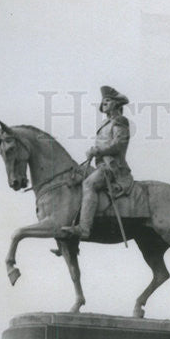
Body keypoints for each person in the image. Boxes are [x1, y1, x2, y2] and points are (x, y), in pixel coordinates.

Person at [62, 85, 133, 239]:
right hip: (101, 165)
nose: (104, 103)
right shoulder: (104, 124)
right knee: (75, 179)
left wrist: (98, 151)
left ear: (116, 103)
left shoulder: (120, 121)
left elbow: (119, 144)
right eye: (104, 101)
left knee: (88, 184)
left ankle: (84, 229)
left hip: (114, 168)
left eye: (108, 100)